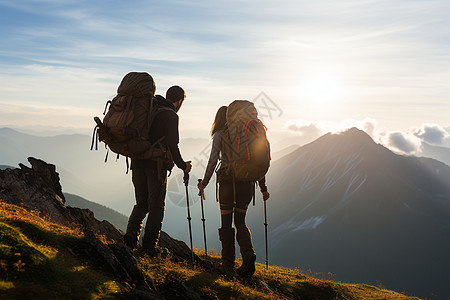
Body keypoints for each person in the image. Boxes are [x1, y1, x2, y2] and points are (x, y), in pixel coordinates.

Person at [198, 105, 270, 277]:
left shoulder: (219, 135)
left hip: (227, 183)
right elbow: (257, 163)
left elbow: (212, 160)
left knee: (226, 223)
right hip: (247, 182)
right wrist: (263, 188)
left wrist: (204, 184)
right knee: (240, 222)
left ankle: (227, 265)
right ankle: (248, 256)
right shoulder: (247, 135)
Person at [124, 85, 192, 256]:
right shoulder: (170, 115)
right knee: (156, 207)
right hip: (156, 166)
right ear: (179, 101)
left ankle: (130, 238)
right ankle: (149, 248)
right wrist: (183, 165)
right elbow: (172, 144)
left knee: (141, 203)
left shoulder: (149, 108)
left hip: (137, 161)